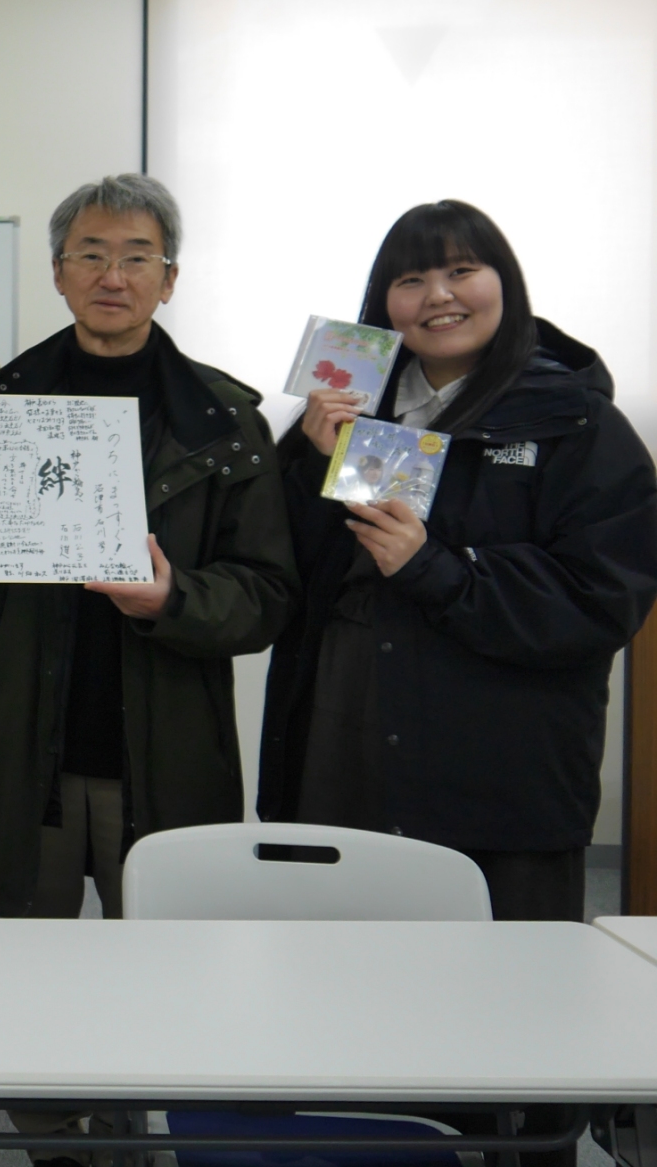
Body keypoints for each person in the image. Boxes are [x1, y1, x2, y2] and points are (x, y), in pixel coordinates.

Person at [260, 200, 657, 921]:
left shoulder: (576, 420)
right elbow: (287, 578)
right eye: (411, 279)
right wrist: (315, 467)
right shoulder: (351, 409)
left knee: (503, 966)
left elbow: (602, 597)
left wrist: (437, 568)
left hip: (501, 753)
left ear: (505, 281)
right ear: (385, 302)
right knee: (341, 954)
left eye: (462, 271)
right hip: (348, 722)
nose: (438, 295)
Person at [0, 175, 298, 922]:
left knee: (165, 969)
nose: (112, 277)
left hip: (165, 755)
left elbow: (268, 594)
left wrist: (173, 599)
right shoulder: (7, 401)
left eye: (136, 257)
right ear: (59, 274)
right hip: (31, 754)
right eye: (89, 255)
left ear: (169, 278)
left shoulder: (223, 422)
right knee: (34, 967)